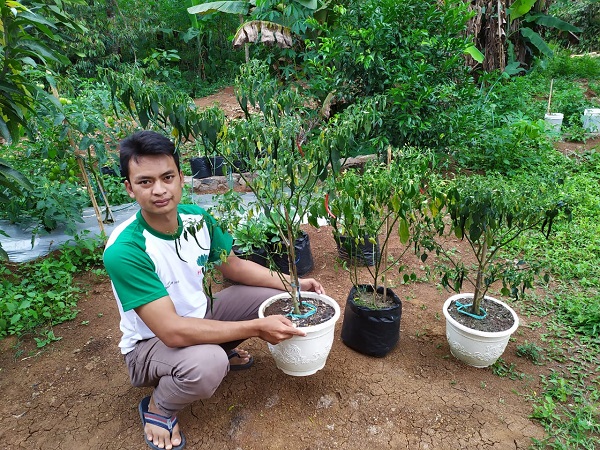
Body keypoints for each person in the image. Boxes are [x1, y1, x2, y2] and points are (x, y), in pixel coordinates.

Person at [103, 130, 324, 450]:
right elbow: (173, 332)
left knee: (271, 300)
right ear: (129, 187)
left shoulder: (197, 219)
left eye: (167, 177)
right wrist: (257, 328)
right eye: (145, 181)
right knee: (209, 365)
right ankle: (159, 407)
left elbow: (233, 267)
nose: (160, 190)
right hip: (149, 345)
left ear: (181, 178)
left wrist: (294, 284)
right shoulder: (125, 249)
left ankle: (217, 348)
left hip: (200, 314)